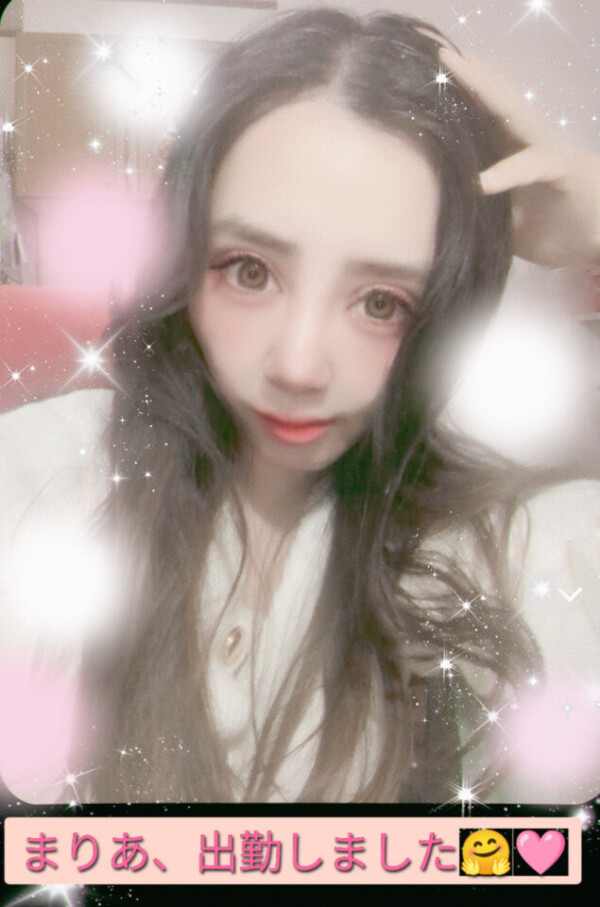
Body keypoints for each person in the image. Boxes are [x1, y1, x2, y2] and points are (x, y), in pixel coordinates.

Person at [1, 8, 599, 805]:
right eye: (250, 271)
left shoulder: (510, 553)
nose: (298, 365)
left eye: (380, 302)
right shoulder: (43, 473)